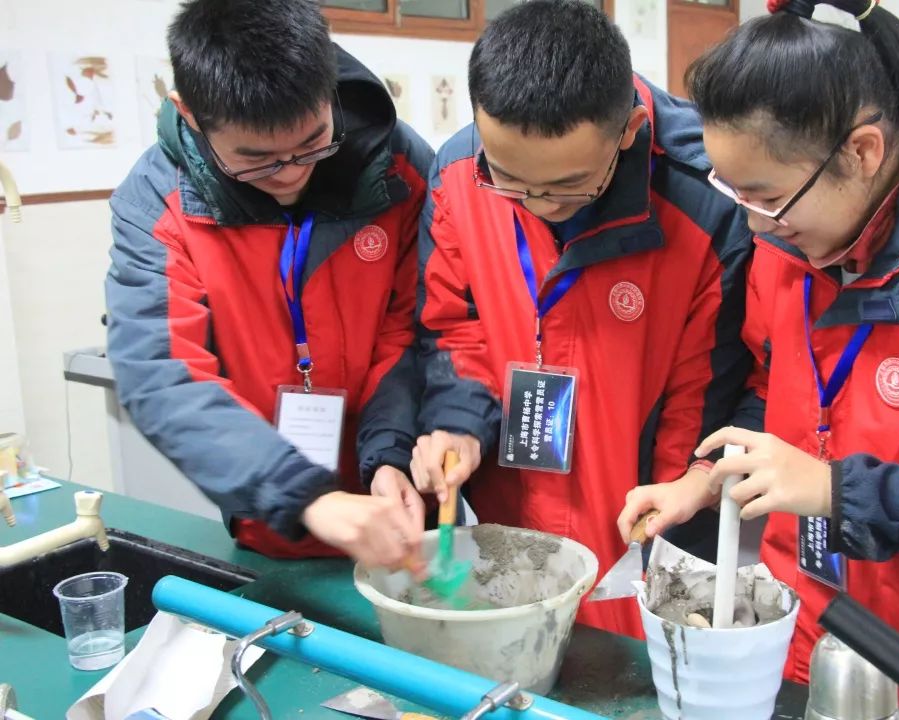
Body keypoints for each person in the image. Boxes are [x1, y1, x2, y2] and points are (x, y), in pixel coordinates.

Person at [619, 0, 899, 710]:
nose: (750, 221)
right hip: (807, 635)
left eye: (765, 196)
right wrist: (708, 478)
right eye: (731, 191)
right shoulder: (792, 241)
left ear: (862, 153)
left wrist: (837, 490)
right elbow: (775, 391)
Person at [411, 0, 751, 636]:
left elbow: (703, 393)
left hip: (637, 529)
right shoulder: (458, 175)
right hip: (503, 527)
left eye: (569, 185)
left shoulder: (705, 208)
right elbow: (452, 327)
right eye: (511, 181)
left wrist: (672, 511)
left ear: (626, 130)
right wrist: (457, 426)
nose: (541, 205)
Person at [105, 0, 433, 571]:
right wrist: (303, 493)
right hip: (269, 512)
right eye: (255, 160)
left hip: (399, 503)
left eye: (312, 143)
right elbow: (162, 374)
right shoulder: (157, 202)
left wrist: (389, 455)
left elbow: (412, 328)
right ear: (188, 113)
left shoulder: (396, 167)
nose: (289, 172)